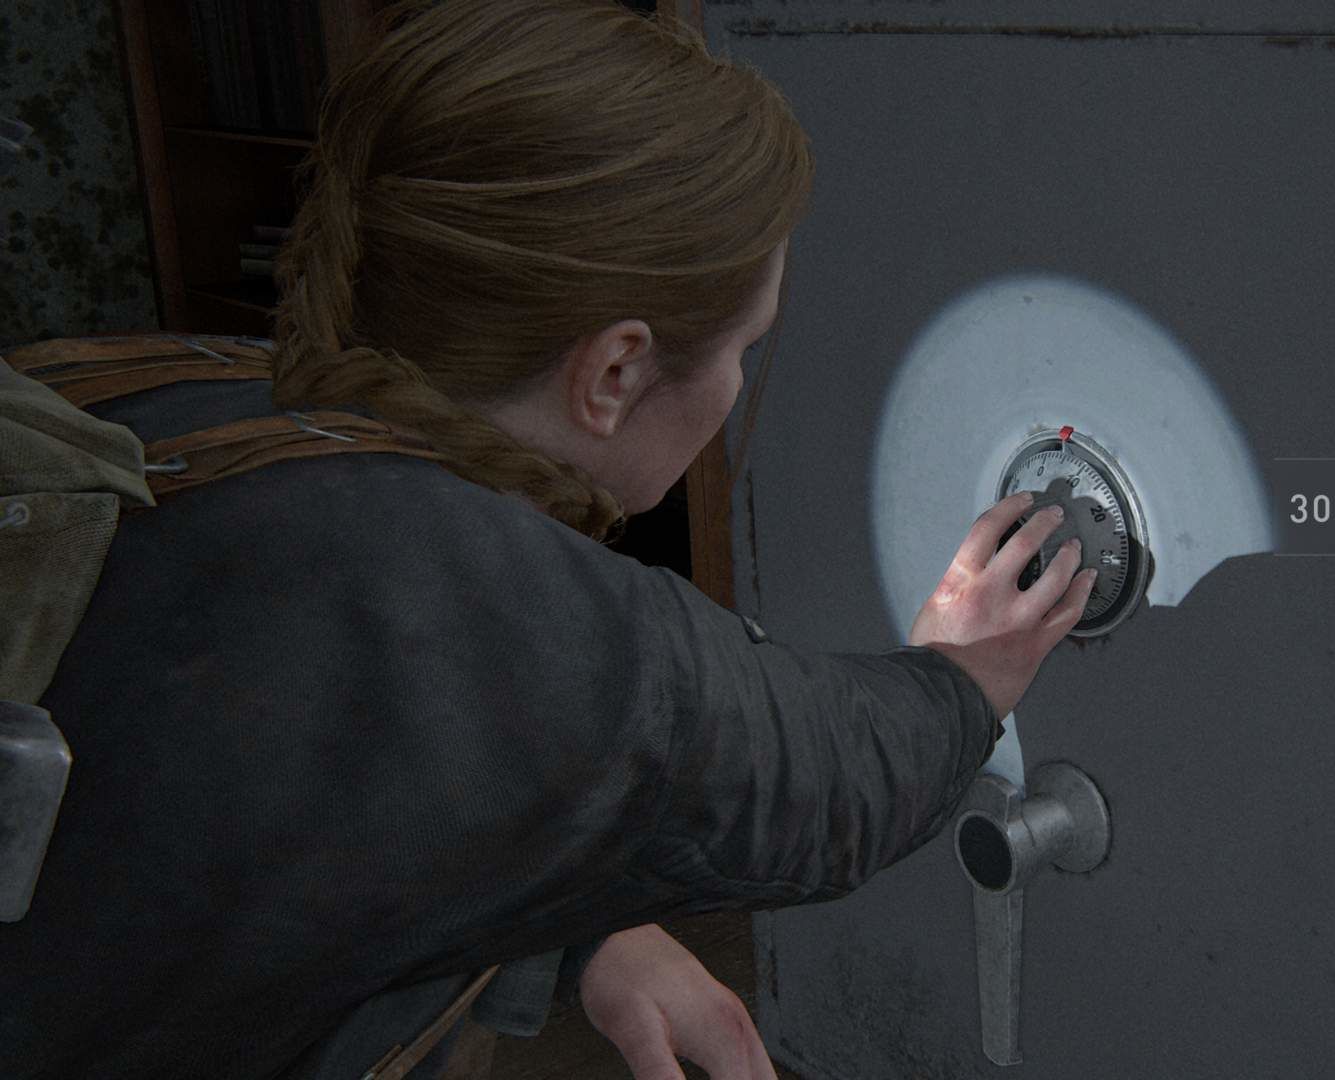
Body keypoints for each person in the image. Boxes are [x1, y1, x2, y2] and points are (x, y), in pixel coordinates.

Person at [0, 1, 1097, 1077]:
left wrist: (585, 924)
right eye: (742, 348)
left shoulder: (184, 395)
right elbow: (829, 786)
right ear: (614, 372)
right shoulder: (521, 632)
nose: (737, 385)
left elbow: (324, 822)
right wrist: (966, 673)